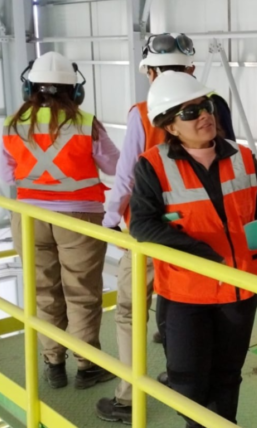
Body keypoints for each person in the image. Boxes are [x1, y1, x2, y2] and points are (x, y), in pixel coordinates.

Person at [96, 33, 238, 424]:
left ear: (150, 72)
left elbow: (125, 178)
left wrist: (109, 225)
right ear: (191, 69)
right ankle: (179, 377)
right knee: (176, 307)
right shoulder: (214, 105)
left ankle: (128, 397)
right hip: (202, 236)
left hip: (150, 234)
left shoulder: (143, 112)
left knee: (129, 312)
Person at [127, 71, 257, 426]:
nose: (204, 116)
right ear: (171, 126)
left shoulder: (242, 156)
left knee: (228, 375)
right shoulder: (152, 165)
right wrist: (202, 254)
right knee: (188, 382)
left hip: (239, 290)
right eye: (190, 112)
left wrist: (256, 255)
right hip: (186, 294)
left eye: (205, 106)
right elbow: (142, 225)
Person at [0, 51, 120, 389]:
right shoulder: (85, 123)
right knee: (81, 292)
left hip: (29, 216)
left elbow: (7, 173)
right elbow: (114, 167)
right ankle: (87, 366)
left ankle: (53, 364)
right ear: (74, 90)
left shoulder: (13, 124)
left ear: (30, 87)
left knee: (43, 291)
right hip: (79, 218)